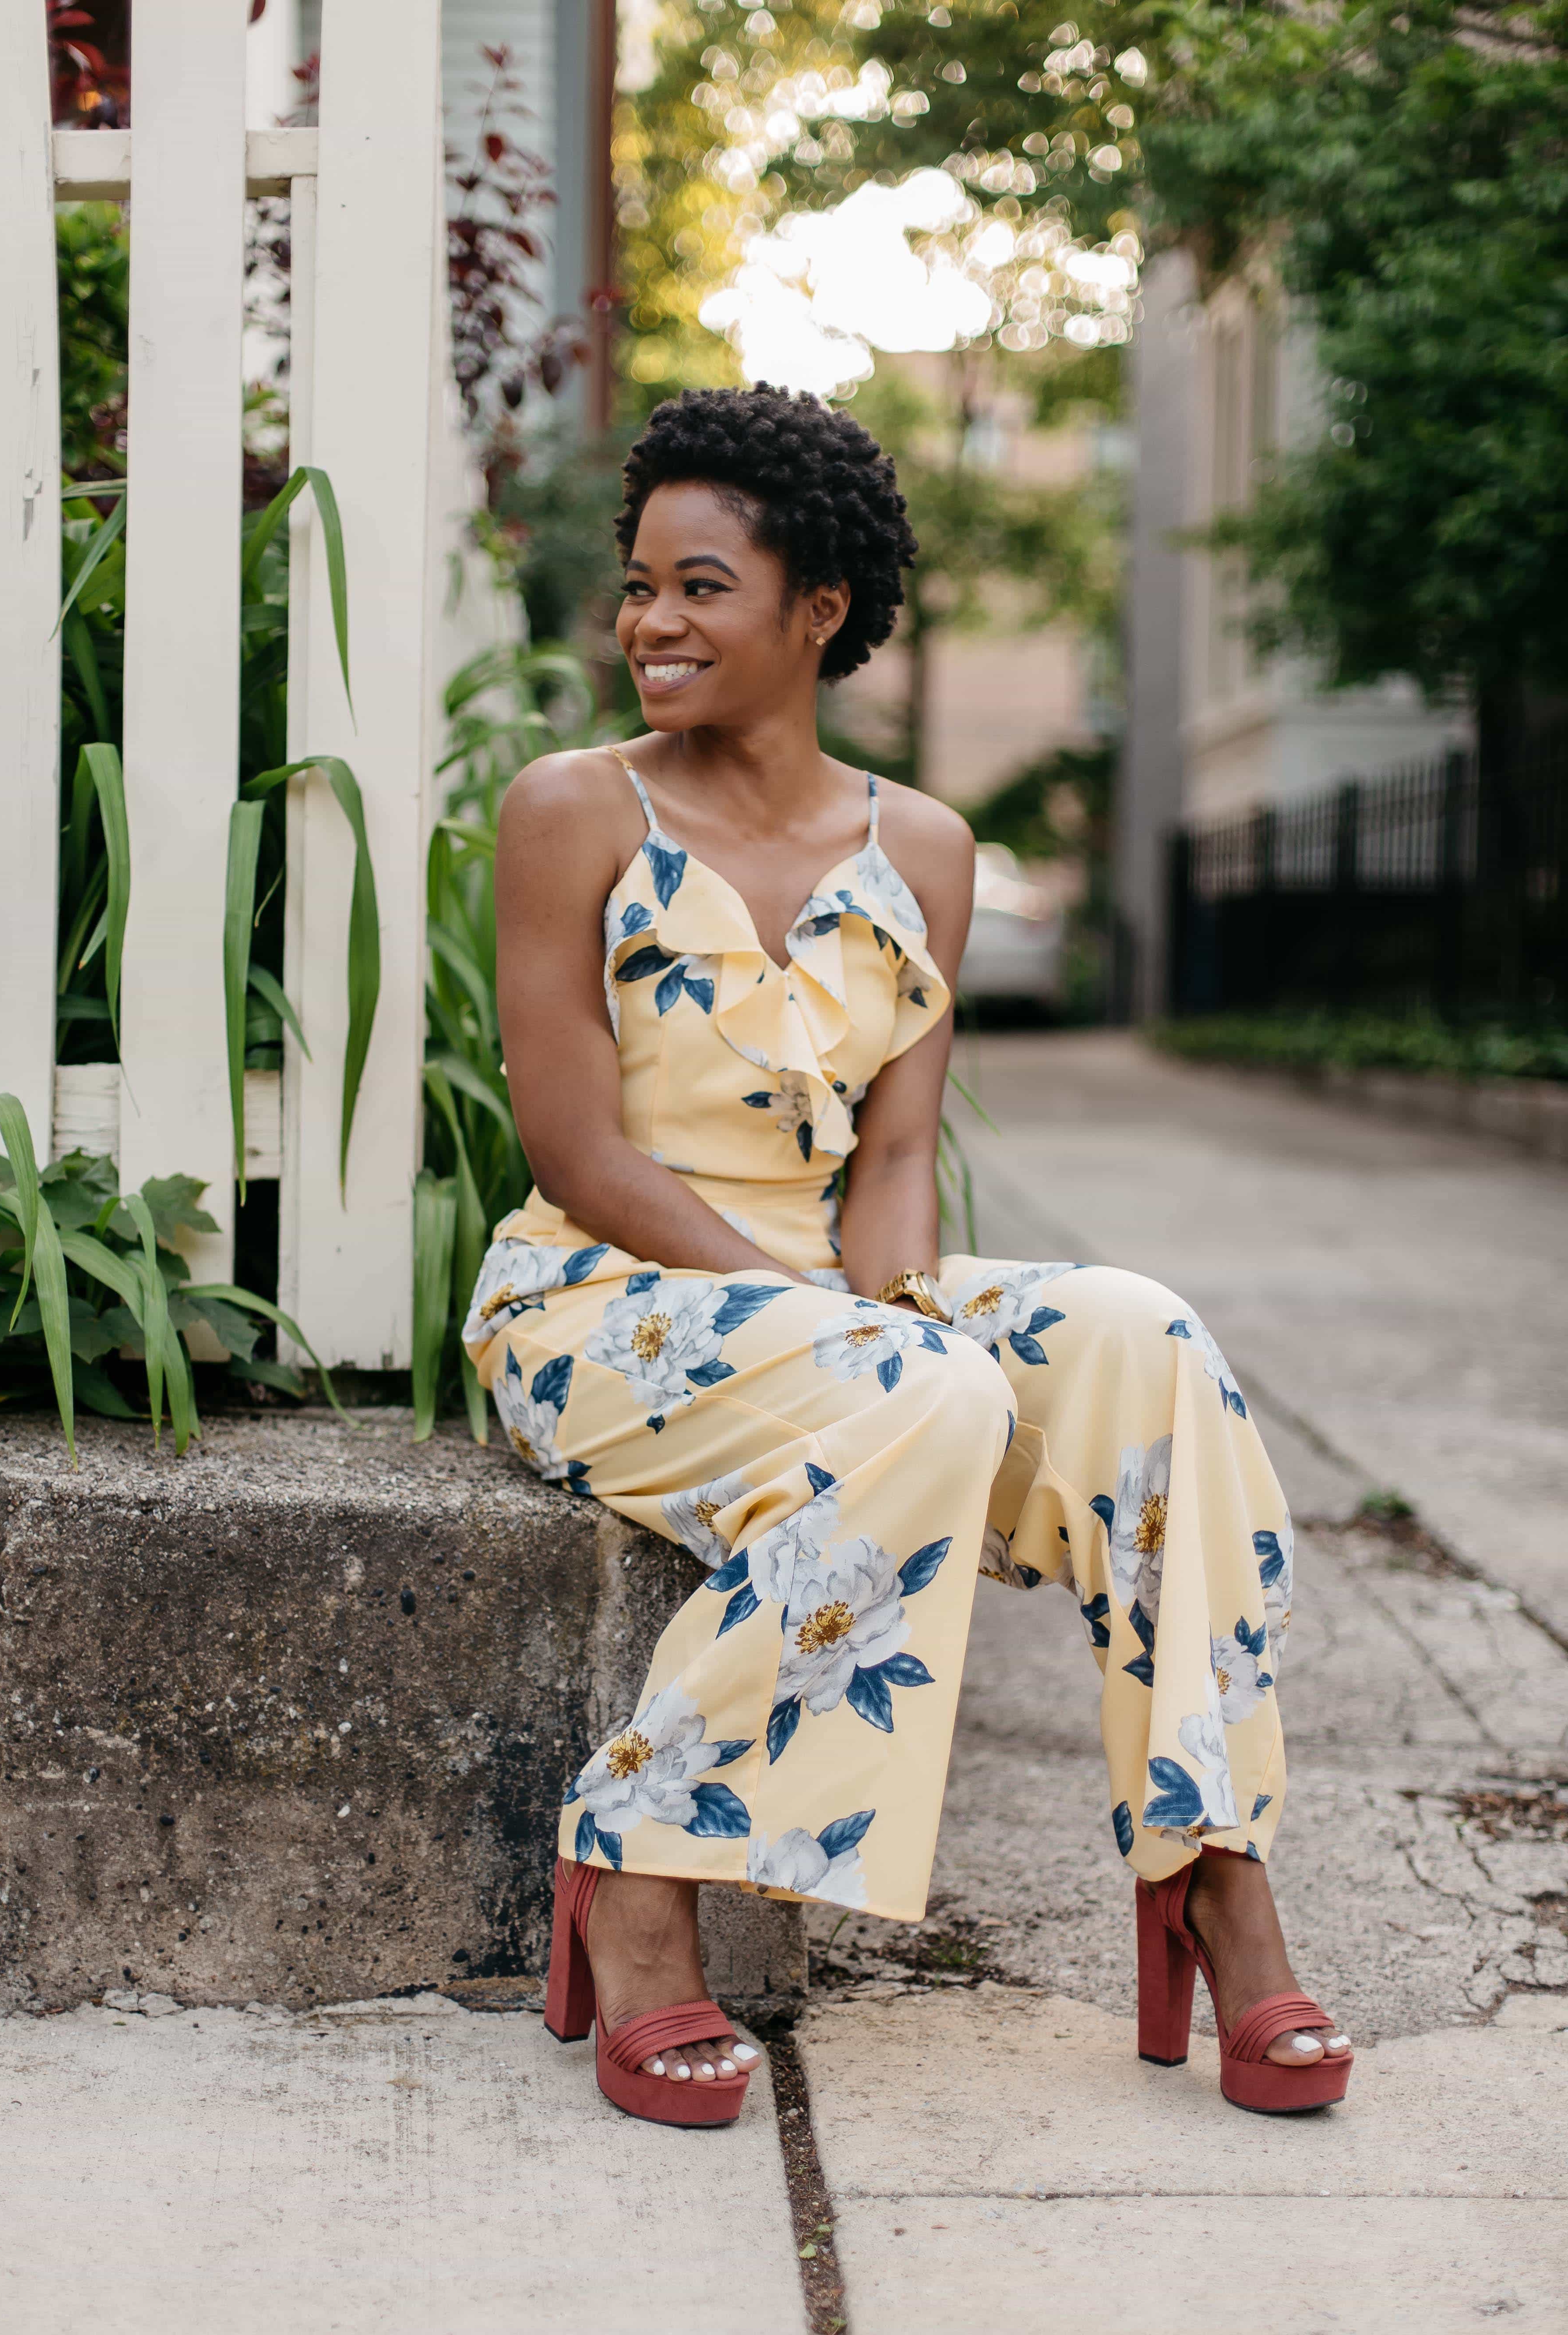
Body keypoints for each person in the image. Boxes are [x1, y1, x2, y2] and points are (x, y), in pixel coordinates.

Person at [466, 384, 1351, 2128]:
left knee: (1137, 1339)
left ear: (820, 612)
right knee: (923, 1387)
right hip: (603, 1297)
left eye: (700, 586)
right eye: (638, 584)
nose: (649, 622)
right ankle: (642, 1872)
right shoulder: (573, 810)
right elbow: (576, 1149)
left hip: (828, 1307)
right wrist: (846, 1334)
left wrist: (888, 1318)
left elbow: (892, 1172)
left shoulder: (921, 849)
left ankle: (1211, 1861)